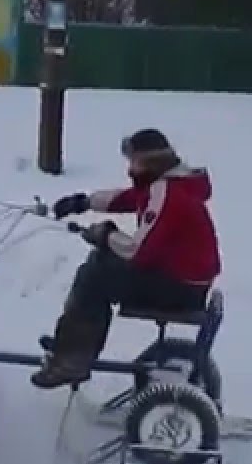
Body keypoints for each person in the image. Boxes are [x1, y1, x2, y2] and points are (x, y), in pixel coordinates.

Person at [32, 128, 221, 389]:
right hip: (185, 277)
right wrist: (84, 202)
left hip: (180, 287)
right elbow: (128, 198)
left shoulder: (168, 194)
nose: (129, 167)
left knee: (95, 278)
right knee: (100, 262)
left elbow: (137, 252)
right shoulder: (171, 183)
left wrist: (106, 234)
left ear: (148, 162)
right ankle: (73, 345)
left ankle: (71, 361)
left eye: (133, 161)